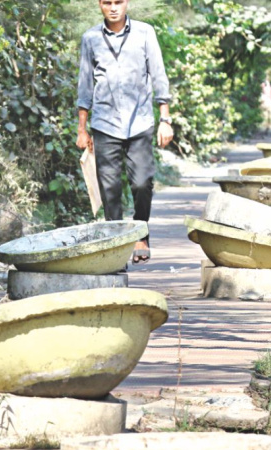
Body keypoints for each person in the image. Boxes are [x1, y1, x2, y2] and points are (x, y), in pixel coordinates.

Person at [76, 0, 173, 264]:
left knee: (142, 182)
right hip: (104, 123)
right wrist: (82, 128)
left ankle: (141, 232)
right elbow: (85, 85)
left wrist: (165, 119)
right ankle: (116, 249)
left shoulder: (145, 33)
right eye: (107, 2)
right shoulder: (90, 38)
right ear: (100, 5)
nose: (113, 8)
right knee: (110, 189)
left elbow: (158, 74)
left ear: (126, 3)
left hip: (139, 121)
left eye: (118, 1)